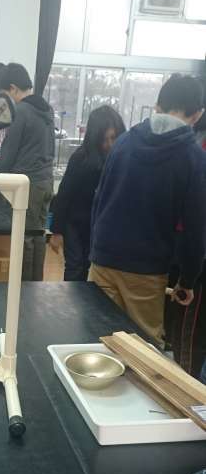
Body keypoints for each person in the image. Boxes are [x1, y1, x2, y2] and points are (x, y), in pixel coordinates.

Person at [89, 74, 206, 343]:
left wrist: (96, 249)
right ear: (197, 114)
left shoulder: (123, 142)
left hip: (103, 258)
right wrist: (188, 280)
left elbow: (99, 199)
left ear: (157, 106)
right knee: (143, 344)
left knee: (97, 336)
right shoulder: (194, 159)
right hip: (145, 268)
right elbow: (196, 229)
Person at [0, 63, 55, 281]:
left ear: (13, 88)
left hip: (28, 185)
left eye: (5, 95)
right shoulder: (46, 110)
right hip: (45, 182)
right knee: (38, 234)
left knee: (25, 238)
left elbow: (8, 153)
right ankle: (35, 286)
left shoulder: (21, 111)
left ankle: (24, 290)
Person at [50, 106, 125, 281]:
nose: (109, 144)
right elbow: (64, 195)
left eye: (113, 138)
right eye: (104, 139)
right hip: (75, 224)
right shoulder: (80, 159)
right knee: (75, 267)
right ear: (94, 138)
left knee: (95, 269)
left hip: (101, 226)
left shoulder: (122, 160)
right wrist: (57, 231)